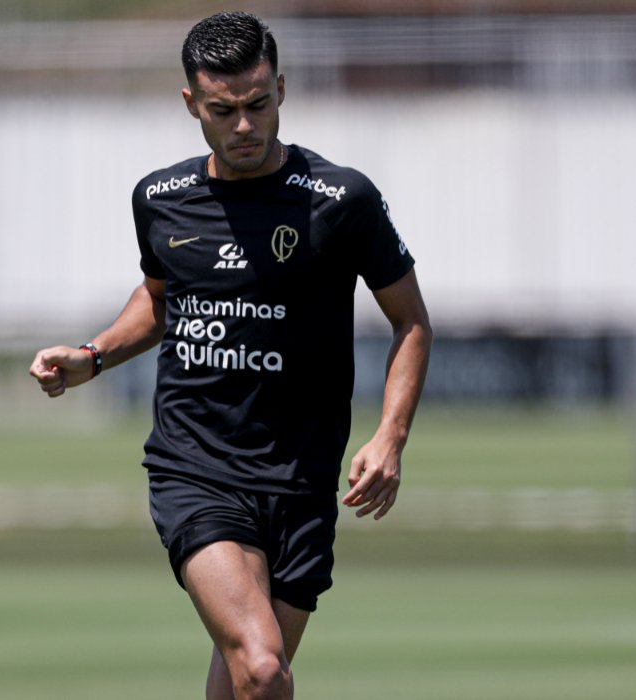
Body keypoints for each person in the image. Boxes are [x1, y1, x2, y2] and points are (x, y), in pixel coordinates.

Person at [28, 11, 432, 700]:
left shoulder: (342, 200)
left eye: (258, 104)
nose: (244, 125)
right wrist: (93, 356)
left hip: (304, 477)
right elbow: (160, 300)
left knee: (246, 683)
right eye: (224, 110)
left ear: (281, 88)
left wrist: (390, 437)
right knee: (264, 666)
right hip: (198, 466)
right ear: (192, 104)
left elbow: (411, 322)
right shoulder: (160, 199)